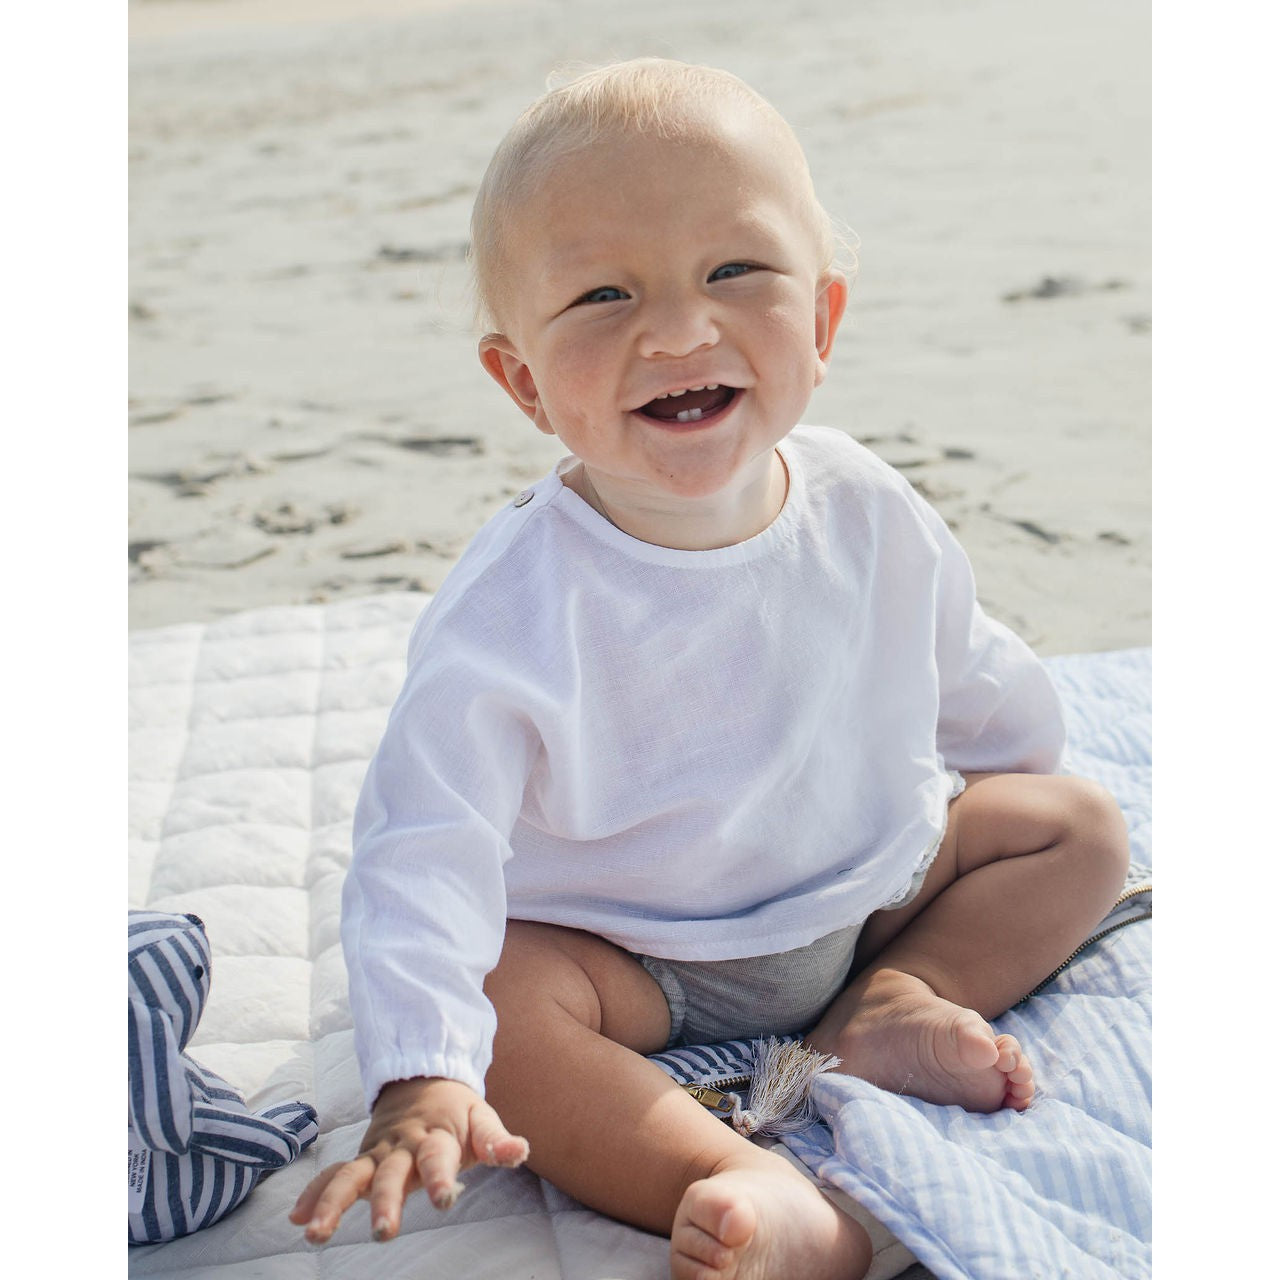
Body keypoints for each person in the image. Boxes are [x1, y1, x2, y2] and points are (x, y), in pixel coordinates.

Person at [290, 58, 1130, 1280]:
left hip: (863, 896)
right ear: (523, 381)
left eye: (733, 270)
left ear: (821, 322)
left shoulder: (868, 506)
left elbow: (971, 673)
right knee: (499, 1012)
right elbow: (424, 838)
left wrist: (996, 801)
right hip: (633, 961)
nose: (679, 330)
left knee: (1077, 826)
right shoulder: (515, 604)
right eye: (602, 293)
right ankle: (735, 1177)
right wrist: (421, 1069)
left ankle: (893, 1000)